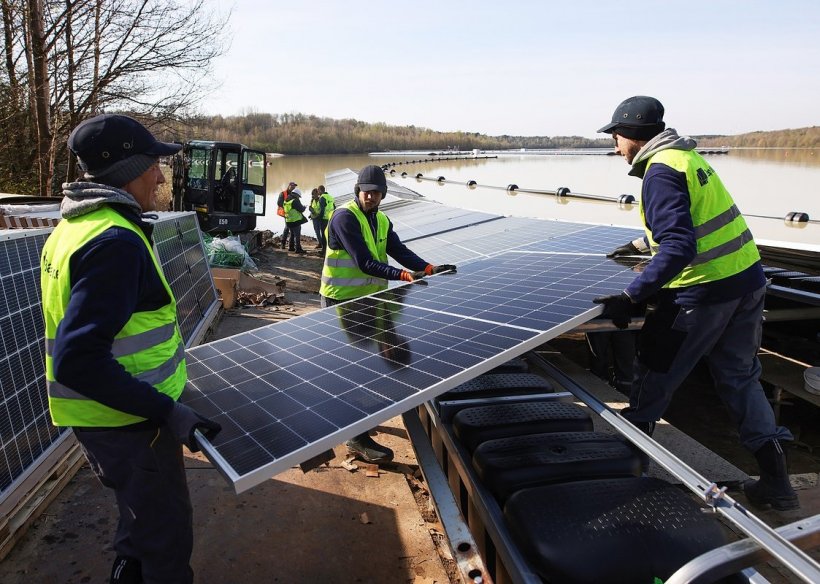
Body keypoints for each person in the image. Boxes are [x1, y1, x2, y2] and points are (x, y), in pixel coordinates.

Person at [592, 96, 798, 511]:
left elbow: (680, 244)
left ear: (631, 136)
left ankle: (629, 468)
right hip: (747, 282)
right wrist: (636, 245)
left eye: (615, 136)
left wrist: (632, 295)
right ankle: (777, 483)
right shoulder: (689, 159)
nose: (614, 145)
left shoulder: (660, 172)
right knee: (740, 378)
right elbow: (696, 223)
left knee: (655, 369)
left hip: (701, 293)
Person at [41, 114, 223, 583]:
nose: (160, 177)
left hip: (106, 420)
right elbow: (78, 358)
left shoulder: (76, 226)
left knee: (139, 527)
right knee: (165, 542)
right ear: (127, 171)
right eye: (152, 167)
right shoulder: (114, 241)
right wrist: (166, 410)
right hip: (130, 425)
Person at [320, 165, 457, 463]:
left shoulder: (381, 219)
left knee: (374, 366)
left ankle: (360, 423)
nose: (370, 197)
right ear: (358, 191)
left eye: (376, 192)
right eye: (366, 191)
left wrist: (428, 267)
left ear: (383, 195)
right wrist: (405, 276)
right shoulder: (344, 217)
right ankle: (355, 439)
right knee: (353, 370)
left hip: (369, 302)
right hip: (342, 303)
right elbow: (365, 262)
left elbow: (399, 250)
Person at [309, 184, 335, 253]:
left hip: (324, 219)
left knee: (324, 235)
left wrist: (319, 218)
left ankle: (324, 250)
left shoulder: (322, 197)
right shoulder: (330, 197)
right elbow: (334, 207)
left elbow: (322, 210)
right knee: (328, 234)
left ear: (320, 190)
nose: (318, 192)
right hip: (330, 217)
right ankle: (328, 248)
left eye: (318, 191)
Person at [283, 187, 307, 254]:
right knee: (297, 235)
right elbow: (301, 209)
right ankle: (298, 249)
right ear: (296, 194)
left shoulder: (286, 199)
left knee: (292, 234)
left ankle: (291, 247)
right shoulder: (295, 200)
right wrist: (304, 207)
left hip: (288, 220)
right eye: (298, 196)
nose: (298, 197)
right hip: (295, 220)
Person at [277, 181, 297, 250]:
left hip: (292, 214)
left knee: (290, 228)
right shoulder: (283, 194)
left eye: (294, 186)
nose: (293, 187)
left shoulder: (294, 194)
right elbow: (279, 203)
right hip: (285, 213)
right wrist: (286, 208)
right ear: (289, 186)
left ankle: (290, 245)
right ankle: (284, 244)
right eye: (292, 186)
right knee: (288, 228)